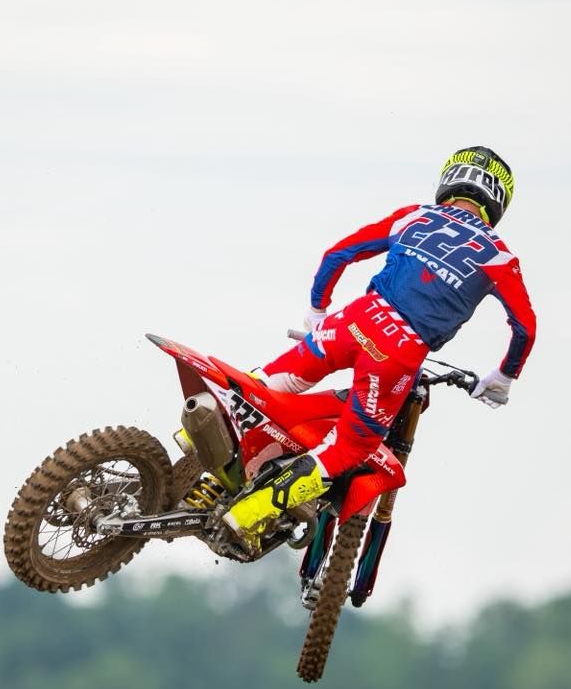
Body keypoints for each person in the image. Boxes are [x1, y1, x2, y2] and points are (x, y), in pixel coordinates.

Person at [223, 145, 537, 539]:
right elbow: (525, 328)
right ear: (499, 199)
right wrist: (504, 377)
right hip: (398, 351)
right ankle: (246, 514)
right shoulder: (499, 256)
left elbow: (338, 254)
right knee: (350, 447)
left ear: (449, 179)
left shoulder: (416, 215)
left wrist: (317, 312)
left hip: (355, 317)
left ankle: (202, 438)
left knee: (268, 385)